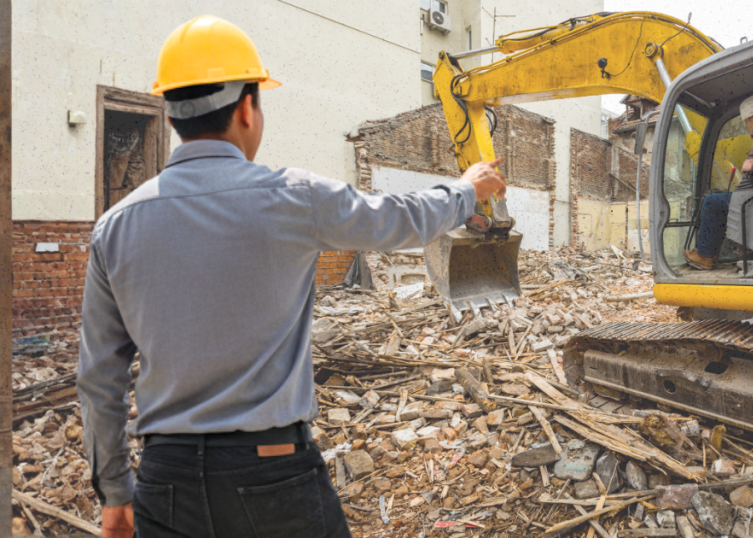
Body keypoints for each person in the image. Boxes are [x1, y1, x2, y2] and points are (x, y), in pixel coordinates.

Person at [77, 16, 507, 538]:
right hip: (272, 471)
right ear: (244, 108)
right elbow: (397, 219)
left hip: (165, 485)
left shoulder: (115, 226)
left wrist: (116, 493)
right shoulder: (291, 197)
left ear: (170, 118)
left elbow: (100, 376)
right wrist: (465, 190)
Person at [683, 93, 753, 270]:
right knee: (721, 200)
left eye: (746, 122)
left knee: (710, 201)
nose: (746, 127)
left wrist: (751, 164)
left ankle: (705, 255)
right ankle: (711, 253)